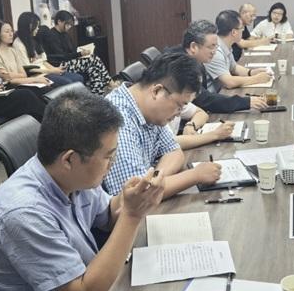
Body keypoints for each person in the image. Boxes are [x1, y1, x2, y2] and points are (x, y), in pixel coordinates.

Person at [0, 91, 166, 291]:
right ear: (70, 159)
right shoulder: (23, 212)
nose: (112, 163)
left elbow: (106, 216)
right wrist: (132, 215)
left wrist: (132, 198)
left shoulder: (71, 177)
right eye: (108, 156)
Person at [104, 52, 222, 198]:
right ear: (157, 91)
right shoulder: (118, 119)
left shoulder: (150, 110)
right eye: (179, 106)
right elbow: (136, 195)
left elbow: (174, 152)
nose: (179, 114)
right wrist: (195, 175)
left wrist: (154, 181)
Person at [170, 19, 267, 112]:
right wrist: (246, 102)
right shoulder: (179, 66)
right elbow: (204, 100)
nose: (214, 51)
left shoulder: (195, 59)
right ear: (193, 47)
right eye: (211, 46)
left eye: (216, 46)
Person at [36, 10, 113, 94]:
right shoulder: (51, 36)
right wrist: (79, 54)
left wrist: (81, 51)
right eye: (67, 24)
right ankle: (110, 83)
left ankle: (97, 94)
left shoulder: (65, 34)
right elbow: (62, 56)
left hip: (70, 61)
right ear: (59, 21)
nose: (69, 27)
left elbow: (72, 50)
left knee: (94, 68)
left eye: (70, 25)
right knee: (94, 59)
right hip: (60, 64)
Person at [204, 10, 272, 92]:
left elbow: (234, 67)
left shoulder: (226, 44)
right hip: (214, 95)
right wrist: (257, 79)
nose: (243, 30)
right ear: (234, 32)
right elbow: (229, 82)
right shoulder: (216, 51)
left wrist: (251, 72)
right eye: (241, 28)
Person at [14, 12, 85, 87]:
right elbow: (28, 69)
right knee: (68, 82)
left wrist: (55, 69)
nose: (38, 29)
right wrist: (51, 71)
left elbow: (43, 61)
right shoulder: (19, 44)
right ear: (29, 26)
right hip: (38, 75)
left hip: (47, 70)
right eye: (36, 26)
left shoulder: (32, 40)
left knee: (79, 78)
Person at [0, 20, 53, 88]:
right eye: (7, 32)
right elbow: (6, 78)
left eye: (11, 31)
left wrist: (13, 75)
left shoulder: (12, 50)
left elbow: (24, 75)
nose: (11, 34)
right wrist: (34, 79)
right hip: (7, 87)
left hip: (20, 83)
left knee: (48, 86)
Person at [166, 100, 235, 150]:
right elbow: (171, 142)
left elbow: (201, 113)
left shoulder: (179, 98)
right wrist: (216, 134)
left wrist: (190, 125)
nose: (178, 114)